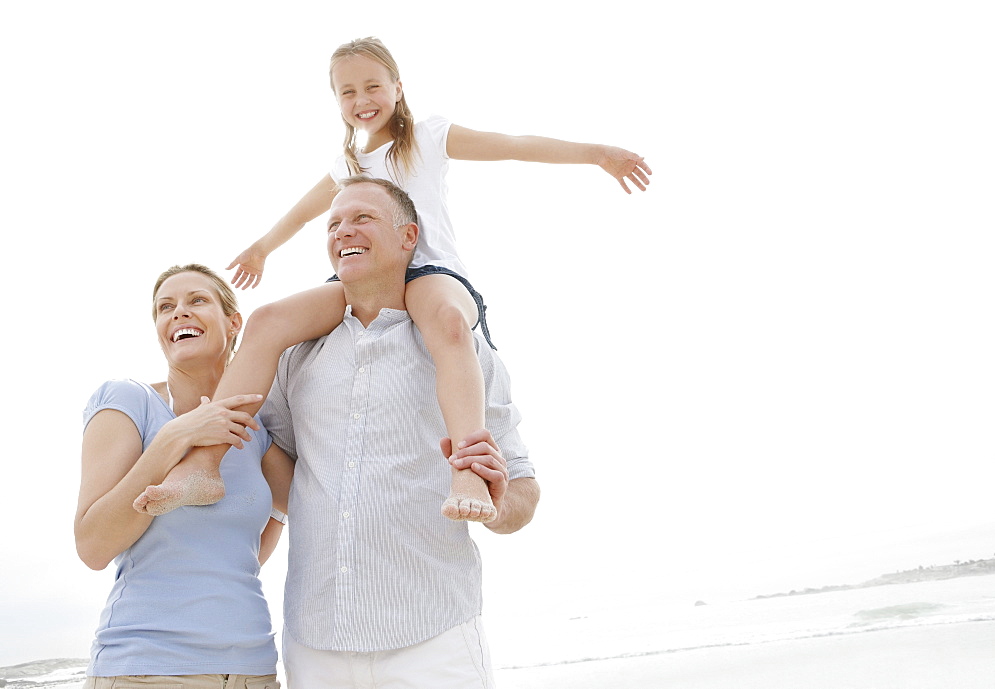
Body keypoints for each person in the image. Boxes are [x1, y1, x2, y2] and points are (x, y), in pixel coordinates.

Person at [133, 36, 648, 521]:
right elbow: (303, 212)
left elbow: (513, 143)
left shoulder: (429, 137)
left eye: (373, 85)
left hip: (427, 272)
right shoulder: (349, 163)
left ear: (398, 88)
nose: (362, 99)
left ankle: (468, 471)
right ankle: (203, 465)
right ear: (336, 102)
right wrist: (262, 248)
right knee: (268, 320)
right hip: (357, 280)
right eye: (348, 91)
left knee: (447, 322)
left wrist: (596, 153)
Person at [260, 176, 539, 688]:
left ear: (409, 237)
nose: (344, 230)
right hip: (315, 643)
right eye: (334, 223)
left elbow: (522, 484)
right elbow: (274, 472)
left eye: (362, 217)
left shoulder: (466, 354)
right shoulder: (295, 356)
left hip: (434, 638)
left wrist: (499, 507)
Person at [75, 264, 293, 688]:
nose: (178, 313)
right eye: (165, 307)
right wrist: (175, 437)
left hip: (253, 669)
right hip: (147, 667)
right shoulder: (128, 401)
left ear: (234, 323)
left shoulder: (258, 428)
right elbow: (93, 546)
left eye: (197, 301)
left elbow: (268, 534)